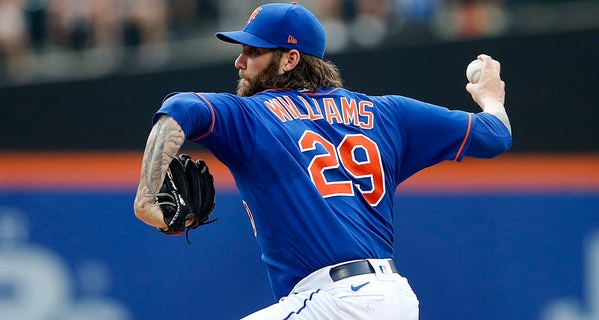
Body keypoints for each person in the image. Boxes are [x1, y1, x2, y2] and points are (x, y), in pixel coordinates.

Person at [134, 2, 512, 319]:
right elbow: (495, 135)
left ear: (290, 59)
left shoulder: (253, 116)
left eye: (253, 51)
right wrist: (492, 97)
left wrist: (147, 197)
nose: (240, 61)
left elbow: (180, 109)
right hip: (393, 297)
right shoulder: (387, 114)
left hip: (335, 301)